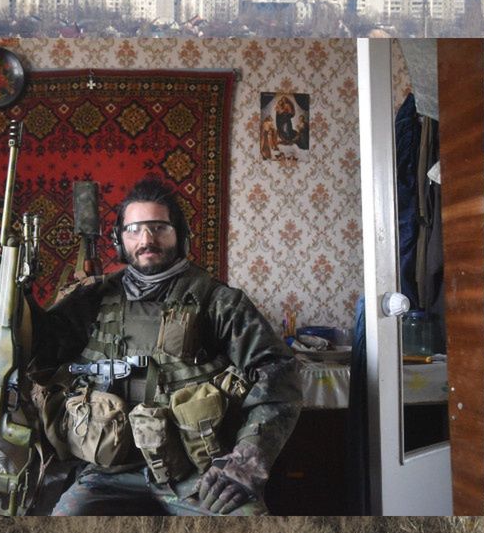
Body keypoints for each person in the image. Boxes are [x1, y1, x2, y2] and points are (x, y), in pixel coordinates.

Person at [27, 178, 301, 515]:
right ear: (119, 239)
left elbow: (278, 373)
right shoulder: (92, 298)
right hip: (108, 474)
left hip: (198, 475)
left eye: (159, 228)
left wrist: (245, 462)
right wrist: (15, 288)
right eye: (134, 230)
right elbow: (38, 346)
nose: (146, 240)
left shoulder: (218, 302)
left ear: (180, 235)